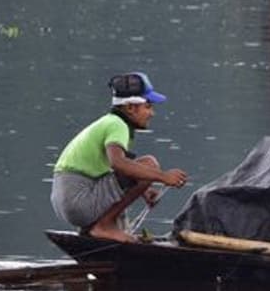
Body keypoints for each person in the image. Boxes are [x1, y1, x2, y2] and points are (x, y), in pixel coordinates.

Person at [50, 72, 190, 242]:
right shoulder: (118, 125)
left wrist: (143, 189)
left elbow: (116, 168)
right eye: (148, 106)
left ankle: (97, 229)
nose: (152, 113)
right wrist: (163, 177)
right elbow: (118, 163)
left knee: (143, 168)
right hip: (78, 199)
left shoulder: (110, 122)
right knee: (150, 164)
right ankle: (104, 226)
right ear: (130, 108)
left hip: (67, 201)